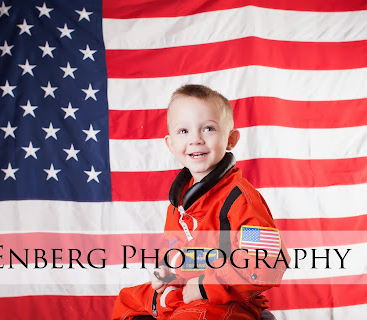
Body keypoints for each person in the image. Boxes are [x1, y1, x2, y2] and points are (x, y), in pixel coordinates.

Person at [112, 84, 289, 320]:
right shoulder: (179, 202)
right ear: (170, 144)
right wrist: (166, 268)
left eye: (208, 129)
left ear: (231, 139)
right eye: (183, 131)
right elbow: (177, 246)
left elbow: (267, 261)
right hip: (184, 287)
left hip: (226, 298)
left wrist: (208, 285)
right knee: (129, 301)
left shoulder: (240, 200)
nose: (196, 139)